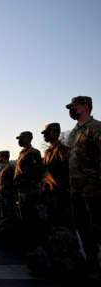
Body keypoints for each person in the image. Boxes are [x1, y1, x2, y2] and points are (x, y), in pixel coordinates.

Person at [66, 96, 101, 271]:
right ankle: (92, 262)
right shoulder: (74, 132)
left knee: (97, 227)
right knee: (83, 227)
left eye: (74, 106)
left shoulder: (96, 128)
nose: (71, 110)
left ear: (85, 107)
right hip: (76, 189)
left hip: (93, 188)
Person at [14, 131, 44, 250]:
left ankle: (35, 245)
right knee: (24, 218)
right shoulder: (22, 153)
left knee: (32, 218)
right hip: (22, 191)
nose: (19, 141)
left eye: (21, 138)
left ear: (28, 139)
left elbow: (38, 172)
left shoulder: (33, 153)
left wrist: (30, 185)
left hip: (30, 191)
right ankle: (28, 244)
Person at [41, 123, 72, 229]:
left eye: (46, 133)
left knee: (63, 224)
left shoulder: (63, 150)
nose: (44, 136)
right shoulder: (47, 152)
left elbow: (69, 171)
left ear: (55, 133)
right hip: (49, 193)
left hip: (61, 194)